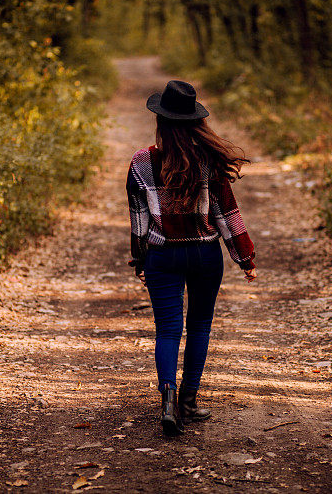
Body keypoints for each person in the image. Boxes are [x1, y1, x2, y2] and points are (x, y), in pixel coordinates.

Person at [126, 80, 257, 437]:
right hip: (204, 255)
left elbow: (139, 221)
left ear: (161, 121)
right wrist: (244, 257)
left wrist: (140, 259)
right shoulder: (208, 161)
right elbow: (226, 212)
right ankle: (189, 402)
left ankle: (167, 399)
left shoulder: (142, 162)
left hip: (163, 256)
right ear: (194, 122)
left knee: (167, 330)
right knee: (198, 326)